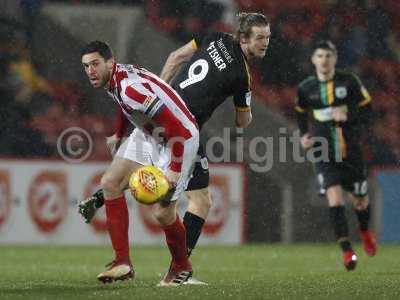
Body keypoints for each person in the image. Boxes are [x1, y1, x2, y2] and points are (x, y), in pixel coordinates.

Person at [79, 12, 270, 278]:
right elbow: (242, 122)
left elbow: (175, 58)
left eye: (268, 38)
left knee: (157, 206)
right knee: (186, 202)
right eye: (260, 37)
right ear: (244, 38)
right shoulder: (243, 75)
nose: (266, 43)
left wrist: (160, 90)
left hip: (165, 118)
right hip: (175, 124)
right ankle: (141, 264)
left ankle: (178, 266)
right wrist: (245, 105)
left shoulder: (214, 36)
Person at [81, 41, 199, 286]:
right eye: (86, 66)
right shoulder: (115, 80)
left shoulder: (129, 88)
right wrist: (119, 134)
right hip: (150, 134)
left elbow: (176, 128)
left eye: (95, 64)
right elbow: (126, 108)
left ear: (109, 63)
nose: (90, 71)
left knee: (162, 212)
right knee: (111, 182)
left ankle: (181, 265)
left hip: (180, 139)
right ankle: (122, 262)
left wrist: (175, 170)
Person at [295, 40, 377, 271]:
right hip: (323, 150)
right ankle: (348, 252)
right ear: (313, 59)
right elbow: (300, 112)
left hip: (350, 149)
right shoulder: (306, 87)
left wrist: (348, 114)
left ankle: (364, 231)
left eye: (328, 56)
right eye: (320, 56)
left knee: (360, 200)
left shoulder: (349, 81)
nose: (324, 60)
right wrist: (303, 135)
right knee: (335, 198)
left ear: (335, 58)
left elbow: (368, 109)